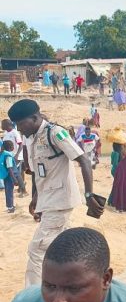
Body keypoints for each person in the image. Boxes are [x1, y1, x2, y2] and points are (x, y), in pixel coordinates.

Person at [9, 99, 103, 286]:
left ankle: (33, 299)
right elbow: (38, 172)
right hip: (48, 200)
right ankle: (75, 282)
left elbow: (83, 161)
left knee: (37, 249)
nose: (20, 130)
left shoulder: (55, 133)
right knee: (63, 248)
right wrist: (35, 197)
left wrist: (89, 195)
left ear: (35, 118)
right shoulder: (33, 138)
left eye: (21, 124)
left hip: (59, 202)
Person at [2, 119, 26, 196]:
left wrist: (16, 155)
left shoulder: (15, 133)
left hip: (16, 156)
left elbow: (21, 144)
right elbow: (4, 145)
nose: (1, 126)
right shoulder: (6, 133)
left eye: (2, 124)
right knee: (17, 173)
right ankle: (21, 188)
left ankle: (23, 190)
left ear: (7, 125)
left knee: (16, 173)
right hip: (9, 156)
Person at [1, 141, 22, 212]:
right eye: (13, 145)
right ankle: (10, 207)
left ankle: (10, 206)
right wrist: (15, 179)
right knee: (9, 191)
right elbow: (9, 168)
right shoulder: (8, 156)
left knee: (8, 191)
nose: (14, 147)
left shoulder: (4, 154)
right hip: (10, 176)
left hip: (7, 176)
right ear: (10, 147)